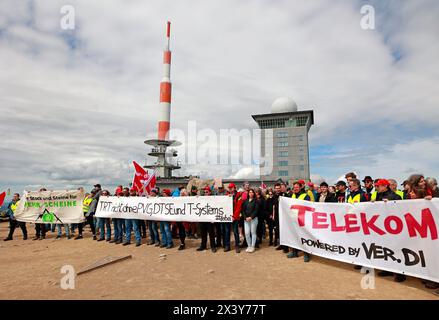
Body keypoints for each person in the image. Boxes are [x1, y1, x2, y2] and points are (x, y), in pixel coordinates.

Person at [288, 182, 311, 262]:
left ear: (301, 187)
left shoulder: (306, 196)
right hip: (294, 219)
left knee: (304, 236)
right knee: (294, 236)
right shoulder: (292, 195)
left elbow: (308, 207)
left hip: (302, 219)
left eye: (297, 187)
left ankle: (306, 253)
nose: (295, 188)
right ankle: (294, 252)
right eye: (294, 187)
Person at [197, 186, 216, 253]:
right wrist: (196, 198)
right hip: (202, 218)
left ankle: (213, 246)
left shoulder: (213, 199)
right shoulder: (201, 198)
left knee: (211, 233)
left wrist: (214, 218)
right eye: (204, 192)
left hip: (210, 219)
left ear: (210, 192)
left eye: (207, 192)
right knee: (203, 233)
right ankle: (203, 246)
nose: (205, 193)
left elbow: (216, 208)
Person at [227, 183, 243, 253]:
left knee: (236, 232)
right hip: (227, 217)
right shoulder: (227, 195)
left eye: (231, 187)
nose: (230, 189)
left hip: (235, 217)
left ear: (234, 188)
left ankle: (237, 246)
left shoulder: (238, 195)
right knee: (227, 232)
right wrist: (228, 197)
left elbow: (238, 207)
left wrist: (234, 216)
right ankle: (227, 246)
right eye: (229, 188)